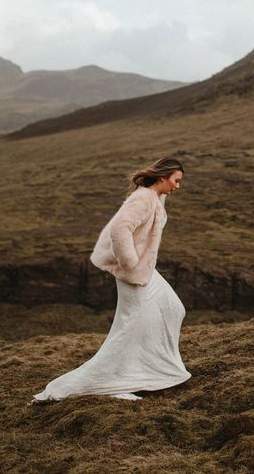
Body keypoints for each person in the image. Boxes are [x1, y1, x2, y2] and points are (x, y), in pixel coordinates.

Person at [32, 157, 191, 402]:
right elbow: (120, 229)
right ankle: (112, 382)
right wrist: (130, 262)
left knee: (172, 308)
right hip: (134, 272)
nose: (178, 186)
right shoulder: (143, 199)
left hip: (145, 270)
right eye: (176, 181)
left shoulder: (155, 197)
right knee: (129, 328)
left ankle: (144, 371)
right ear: (163, 177)